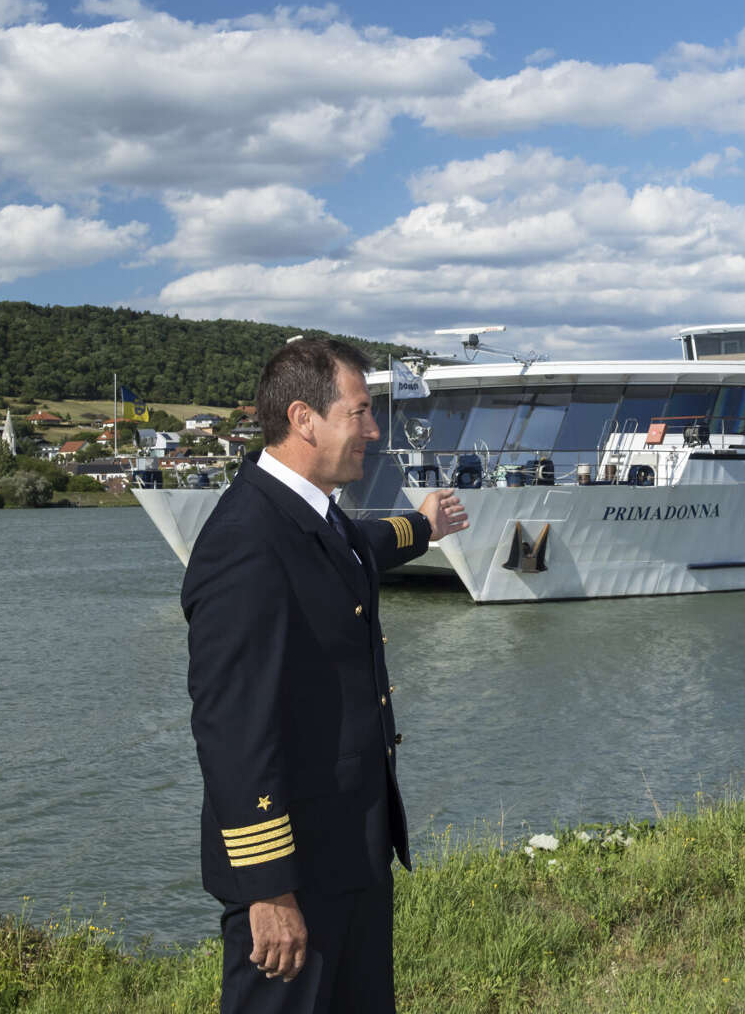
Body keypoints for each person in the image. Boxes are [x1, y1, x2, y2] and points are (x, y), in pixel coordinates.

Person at [183, 338, 468, 1014]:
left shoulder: (311, 517)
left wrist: (422, 528)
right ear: (304, 419)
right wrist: (268, 889)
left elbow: (356, 549)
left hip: (351, 852)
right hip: (296, 873)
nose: (373, 430)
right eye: (361, 413)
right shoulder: (245, 541)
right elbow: (232, 728)